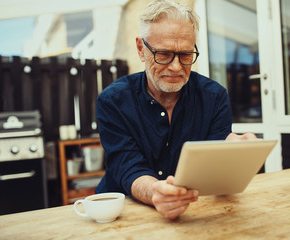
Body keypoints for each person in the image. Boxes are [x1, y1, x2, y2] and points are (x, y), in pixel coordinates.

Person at [95, 0, 256, 219]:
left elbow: (215, 158)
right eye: (163, 54)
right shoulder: (113, 101)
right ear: (141, 49)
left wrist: (233, 150)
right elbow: (128, 166)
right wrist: (156, 193)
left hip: (194, 212)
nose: (176, 67)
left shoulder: (215, 97)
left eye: (186, 55)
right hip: (123, 214)